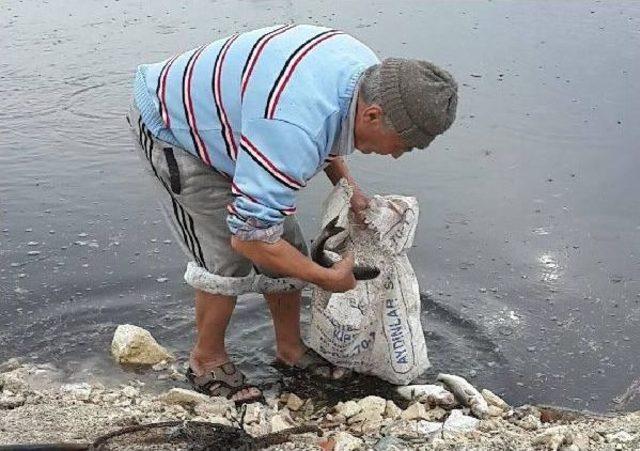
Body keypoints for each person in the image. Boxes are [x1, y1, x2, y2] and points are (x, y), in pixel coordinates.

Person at [127, 24, 457, 403]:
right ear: (373, 116)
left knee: (289, 246)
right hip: (177, 127)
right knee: (224, 257)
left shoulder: (367, 74)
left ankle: (290, 350)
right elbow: (248, 237)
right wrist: (326, 278)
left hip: (244, 124)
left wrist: (350, 192)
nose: (397, 155)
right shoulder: (292, 127)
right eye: (402, 145)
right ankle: (206, 360)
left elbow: (328, 130)